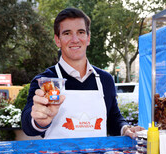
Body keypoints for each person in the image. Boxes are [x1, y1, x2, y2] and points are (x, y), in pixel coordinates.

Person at [21, 7, 142, 139]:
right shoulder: (46, 81)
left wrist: (125, 129)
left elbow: (113, 117)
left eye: (80, 32)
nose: (75, 39)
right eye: (67, 33)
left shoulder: (104, 79)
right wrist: (39, 121)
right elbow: (28, 124)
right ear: (57, 40)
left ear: (88, 38)